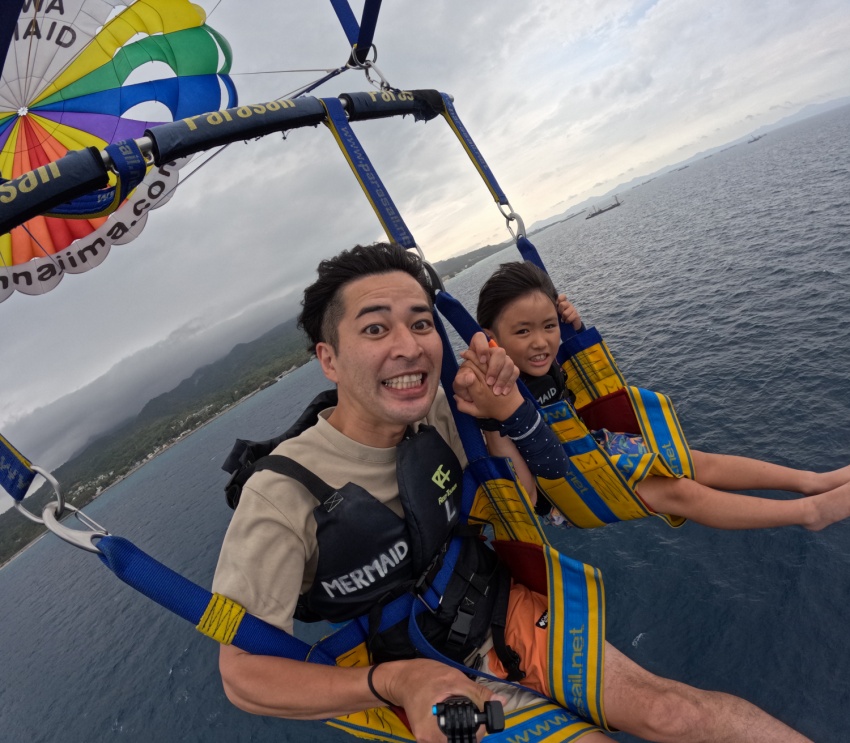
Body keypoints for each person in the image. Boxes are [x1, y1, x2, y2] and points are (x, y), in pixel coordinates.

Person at [213, 243, 810, 742]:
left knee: (675, 713)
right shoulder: (280, 496)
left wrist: (500, 412)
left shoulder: (445, 414)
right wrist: (395, 683)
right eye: (375, 328)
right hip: (409, 679)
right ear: (330, 359)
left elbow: (521, 498)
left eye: (421, 323)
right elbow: (243, 675)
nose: (408, 343)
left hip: (504, 605)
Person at [477, 260, 850, 532]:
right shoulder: (496, 393)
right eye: (522, 331)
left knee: (697, 462)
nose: (541, 341)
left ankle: (812, 481)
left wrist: (572, 330)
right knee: (680, 492)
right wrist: (495, 416)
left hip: (594, 450)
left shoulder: (547, 359)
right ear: (491, 337)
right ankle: (810, 512)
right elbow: (524, 493)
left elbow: (561, 360)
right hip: (568, 488)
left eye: (548, 326)